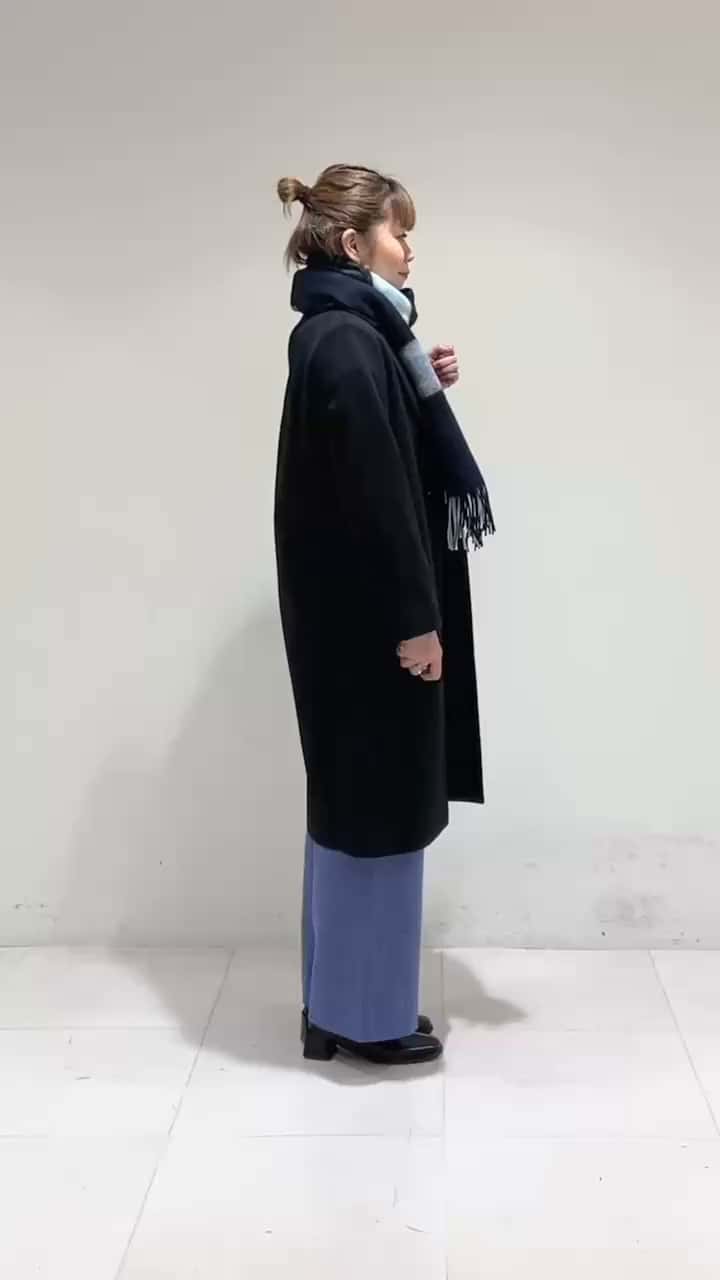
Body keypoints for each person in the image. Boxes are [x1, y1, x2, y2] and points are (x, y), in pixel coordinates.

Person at [273, 164, 495, 1067]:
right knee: (379, 813)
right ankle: (367, 1021)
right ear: (351, 242)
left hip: (347, 625)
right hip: (373, 630)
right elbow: (376, 498)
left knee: (351, 806)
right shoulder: (351, 344)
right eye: (399, 233)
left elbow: (374, 456)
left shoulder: (347, 336)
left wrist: (418, 384)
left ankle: (334, 1006)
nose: (409, 250)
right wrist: (416, 622)